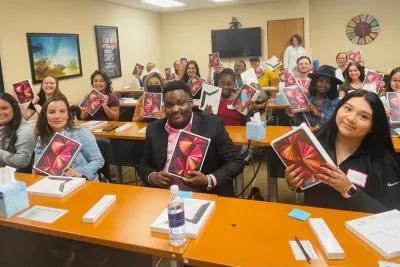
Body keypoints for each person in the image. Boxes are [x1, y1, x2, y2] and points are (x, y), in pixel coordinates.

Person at [285, 90, 400, 213]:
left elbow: (391, 215)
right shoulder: (313, 143)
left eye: (363, 116)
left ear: (373, 126)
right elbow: (306, 186)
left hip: (357, 228)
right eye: (348, 109)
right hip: (315, 223)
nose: (351, 118)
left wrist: (349, 190)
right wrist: (293, 182)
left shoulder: (382, 160)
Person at [138, 80, 245, 196]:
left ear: (191, 102)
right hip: (165, 195)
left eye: (180, 103)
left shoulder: (213, 126)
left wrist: (208, 180)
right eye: (169, 105)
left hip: (203, 194)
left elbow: (236, 161)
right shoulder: (154, 129)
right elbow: (143, 165)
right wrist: (152, 176)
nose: (175, 109)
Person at [34, 95, 104, 181]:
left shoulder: (80, 133)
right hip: (54, 185)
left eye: (62, 111)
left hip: (83, 183)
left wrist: (79, 172)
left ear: (68, 115)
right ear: (45, 116)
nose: (57, 116)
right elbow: (38, 170)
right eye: (52, 112)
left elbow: (98, 160)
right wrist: (38, 171)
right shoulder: (41, 139)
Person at [0, 93, 35, 169]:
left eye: (4, 108)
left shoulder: (25, 130)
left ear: (14, 109)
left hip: (15, 178)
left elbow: (22, 161)